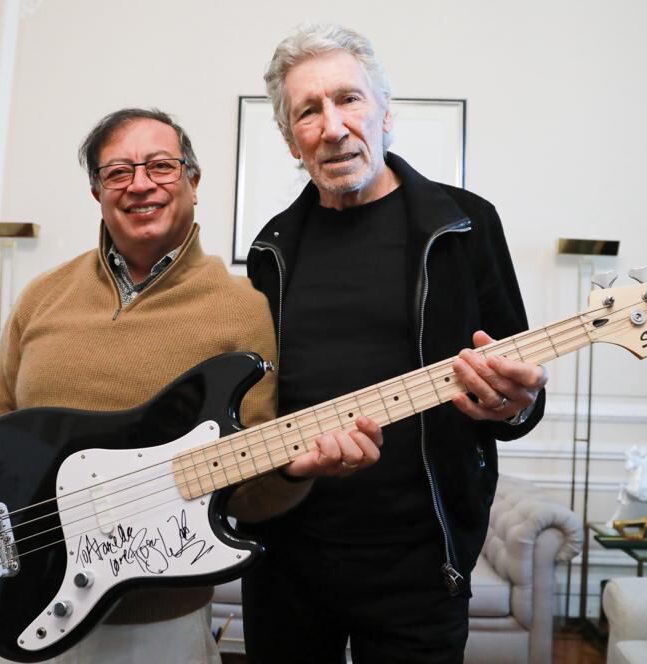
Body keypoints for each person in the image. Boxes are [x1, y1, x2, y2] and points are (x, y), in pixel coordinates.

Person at [0, 108, 383, 663]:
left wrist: (293, 469)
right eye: (118, 172)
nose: (140, 183)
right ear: (97, 192)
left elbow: (250, 494)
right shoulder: (41, 296)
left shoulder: (242, 309)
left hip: (163, 630)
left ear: (193, 180)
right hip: (25, 613)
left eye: (161, 166)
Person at [241, 24, 548, 663]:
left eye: (348, 99)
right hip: (288, 557)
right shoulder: (272, 249)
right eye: (308, 111)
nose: (332, 126)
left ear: (385, 113)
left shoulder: (464, 225)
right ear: (290, 139)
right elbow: (256, 402)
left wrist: (512, 405)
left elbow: (519, 388)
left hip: (422, 561)